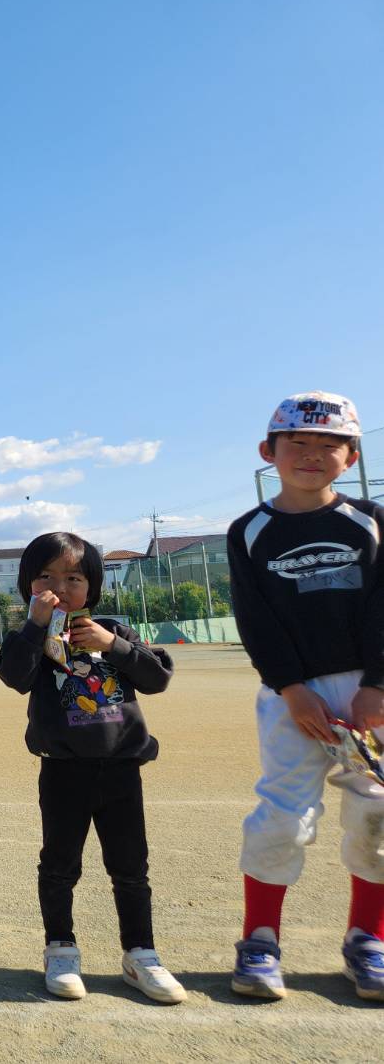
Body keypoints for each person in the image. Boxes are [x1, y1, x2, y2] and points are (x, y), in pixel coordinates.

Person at [228, 391, 384, 1002]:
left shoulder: (370, 521)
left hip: (370, 691)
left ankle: (368, 940)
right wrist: (292, 689)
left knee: (376, 813)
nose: (313, 454)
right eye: (298, 442)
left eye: (330, 445)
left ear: (352, 457)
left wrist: (375, 686)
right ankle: (259, 942)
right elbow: (256, 619)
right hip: (290, 694)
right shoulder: (250, 531)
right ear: (269, 452)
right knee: (283, 817)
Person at [0, 531, 185, 1004]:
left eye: (73, 578)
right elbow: (13, 675)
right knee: (59, 865)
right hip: (63, 771)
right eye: (46, 577)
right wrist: (35, 627)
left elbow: (157, 678)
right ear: (28, 585)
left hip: (121, 769)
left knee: (131, 866)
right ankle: (61, 949)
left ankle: (141, 954)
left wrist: (113, 644)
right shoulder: (32, 638)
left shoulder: (115, 631)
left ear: (92, 586)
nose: (59, 587)